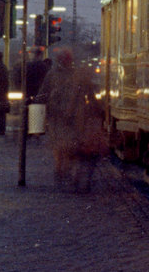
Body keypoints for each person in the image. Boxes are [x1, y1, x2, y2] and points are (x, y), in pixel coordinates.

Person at [41, 52, 107, 191]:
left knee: (61, 146)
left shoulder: (52, 75)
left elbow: (43, 94)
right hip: (75, 116)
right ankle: (70, 173)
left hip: (58, 116)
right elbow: (91, 95)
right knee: (72, 145)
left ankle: (61, 171)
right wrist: (98, 110)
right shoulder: (78, 75)